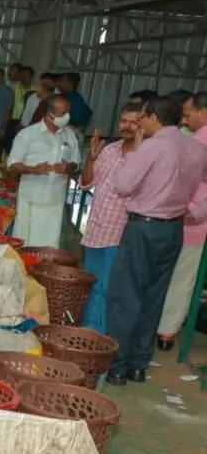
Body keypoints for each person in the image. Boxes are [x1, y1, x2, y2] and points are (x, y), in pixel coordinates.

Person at [105, 96, 207, 384]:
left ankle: (117, 366)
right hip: (173, 229)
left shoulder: (153, 146)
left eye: (143, 118)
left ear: (154, 118)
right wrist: (197, 211)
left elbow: (122, 184)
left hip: (144, 228)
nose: (139, 123)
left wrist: (137, 149)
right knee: (154, 297)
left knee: (126, 297)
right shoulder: (197, 148)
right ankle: (138, 365)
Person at [80, 104, 142, 333]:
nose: (126, 126)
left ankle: (104, 334)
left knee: (110, 288)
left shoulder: (145, 156)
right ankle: (89, 329)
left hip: (120, 232)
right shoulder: (109, 150)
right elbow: (87, 183)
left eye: (133, 122)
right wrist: (91, 158)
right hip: (96, 228)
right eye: (123, 121)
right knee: (93, 284)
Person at [157, 92, 207, 348]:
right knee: (181, 278)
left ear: (204, 111)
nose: (185, 120)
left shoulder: (197, 140)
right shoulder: (192, 139)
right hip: (189, 218)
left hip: (183, 217)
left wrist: (196, 211)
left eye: (189, 115)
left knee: (171, 275)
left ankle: (161, 328)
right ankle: (165, 332)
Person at [7, 95, 82, 248]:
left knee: (49, 244)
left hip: (55, 199)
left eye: (68, 112)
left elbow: (76, 163)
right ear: (49, 113)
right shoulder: (27, 134)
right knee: (26, 243)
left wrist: (68, 168)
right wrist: (33, 169)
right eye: (62, 113)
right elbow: (12, 165)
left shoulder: (69, 136)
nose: (67, 117)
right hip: (31, 198)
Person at [7, 64, 33, 149]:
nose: (24, 78)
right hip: (12, 120)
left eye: (26, 75)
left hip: (26, 122)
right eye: (22, 75)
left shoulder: (36, 90)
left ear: (31, 77)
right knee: (10, 144)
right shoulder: (13, 86)